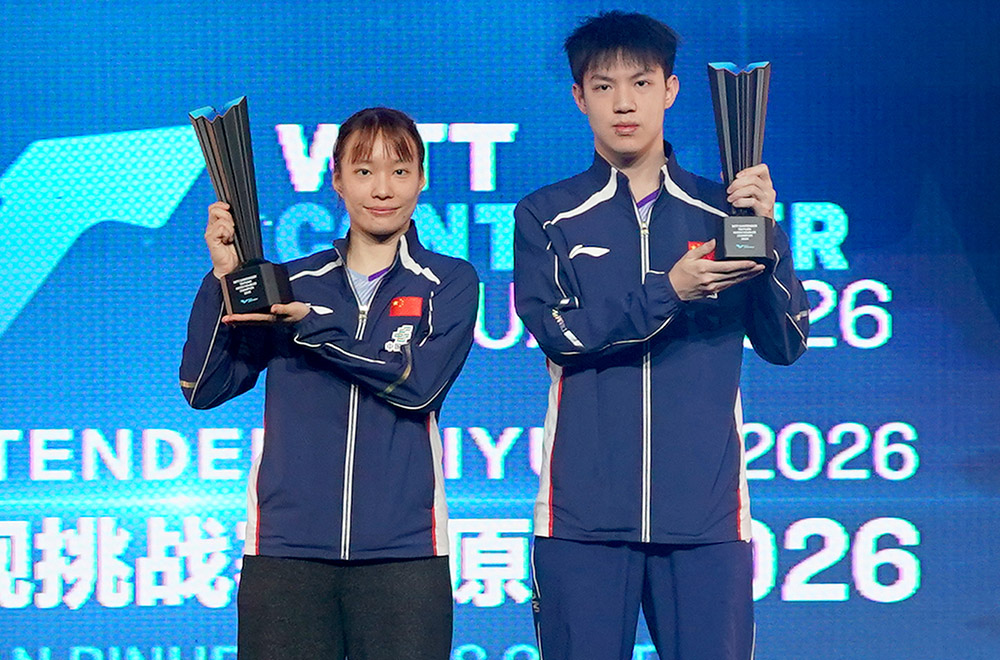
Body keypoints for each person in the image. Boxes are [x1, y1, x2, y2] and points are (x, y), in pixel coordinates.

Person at [513, 11, 809, 660]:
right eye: (603, 86)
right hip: (582, 520)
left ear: (671, 90)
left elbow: (786, 342)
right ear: (578, 98)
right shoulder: (547, 214)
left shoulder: (720, 209)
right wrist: (668, 291)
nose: (624, 103)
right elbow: (560, 333)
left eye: (641, 83)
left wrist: (769, 232)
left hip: (705, 522)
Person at [179, 107, 479, 660]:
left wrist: (311, 325)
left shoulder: (450, 281)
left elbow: (420, 386)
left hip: (405, 554)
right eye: (363, 172)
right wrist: (223, 276)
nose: (382, 189)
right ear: (336, 179)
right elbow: (205, 386)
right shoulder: (289, 280)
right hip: (286, 552)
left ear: (423, 178)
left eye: (400, 170)